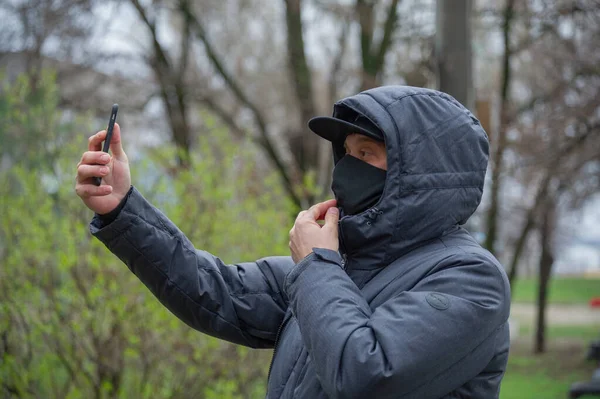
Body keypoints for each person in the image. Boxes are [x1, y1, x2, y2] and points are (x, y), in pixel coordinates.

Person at [76, 86, 510, 399]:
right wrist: (122, 208)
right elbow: (215, 290)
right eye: (348, 154)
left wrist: (318, 263)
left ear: (417, 175)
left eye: (367, 155)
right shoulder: (341, 267)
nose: (347, 170)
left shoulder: (470, 280)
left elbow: (365, 374)